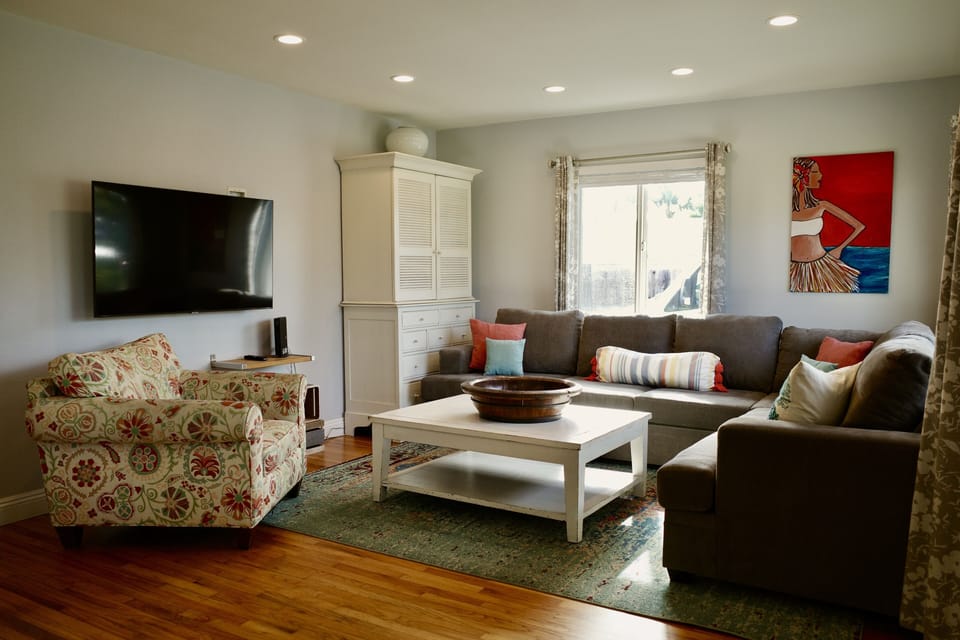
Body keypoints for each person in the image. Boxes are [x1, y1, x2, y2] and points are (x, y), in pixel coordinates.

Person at [790, 157, 866, 292]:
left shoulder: (822, 205)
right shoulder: (786, 211)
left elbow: (859, 226)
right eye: (815, 172)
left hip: (822, 267)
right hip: (793, 270)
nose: (821, 175)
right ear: (804, 177)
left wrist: (839, 249)